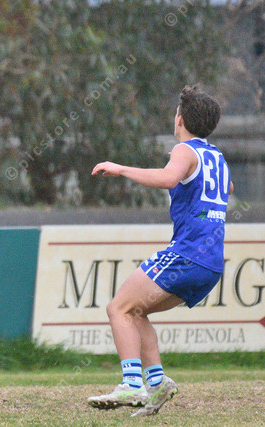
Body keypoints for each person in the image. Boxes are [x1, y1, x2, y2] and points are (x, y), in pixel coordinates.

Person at [87, 85, 232, 417]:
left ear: (180, 119)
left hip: (187, 254)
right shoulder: (217, 158)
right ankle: (157, 382)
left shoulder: (184, 150)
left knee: (118, 308)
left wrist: (121, 169)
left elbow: (168, 179)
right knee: (136, 312)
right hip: (211, 263)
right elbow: (227, 187)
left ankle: (131, 384)